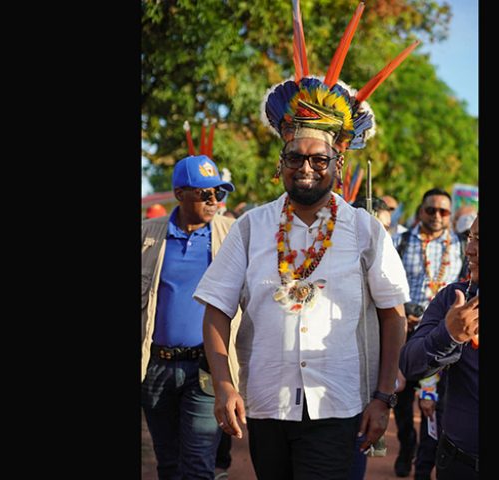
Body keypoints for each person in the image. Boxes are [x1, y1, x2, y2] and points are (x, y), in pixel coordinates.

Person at [193, 2, 420, 478]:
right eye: (295, 157)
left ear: (339, 167)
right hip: (266, 405)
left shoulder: (365, 229)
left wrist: (382, 397)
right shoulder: (252, 226)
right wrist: (224, 383)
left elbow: (392, 314)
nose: (307, 168)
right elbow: (216, 307)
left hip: (342, 406)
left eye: (320, 160)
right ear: (281, 163)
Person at [141, 149, 238, 480]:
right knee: (168, 464)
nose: (214, 200)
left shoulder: (232, 234)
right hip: (156, 368)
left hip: (206, 369)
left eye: (218, 192)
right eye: (205, 193)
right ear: (180, 194)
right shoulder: (148, 236)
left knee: (198, 465)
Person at [400, 215, 480, 479]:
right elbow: (410, 364)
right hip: (459, 463)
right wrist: (448, 335)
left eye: (480, 241)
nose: (469, 249)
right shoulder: (453, 298)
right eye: (470, 237)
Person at [392, 188, 464, 478]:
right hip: (408, 330)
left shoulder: (461, 245)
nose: (436, 216)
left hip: (445, 335)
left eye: (443, 212)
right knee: (402, 395)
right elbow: (390, 284)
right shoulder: (402, 241)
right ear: (420, 211)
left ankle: (426, 456)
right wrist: (404, 309)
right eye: (431, 210)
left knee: (436, 400)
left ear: (449, 216)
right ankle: (406, 446)